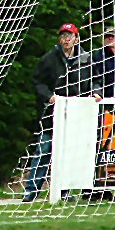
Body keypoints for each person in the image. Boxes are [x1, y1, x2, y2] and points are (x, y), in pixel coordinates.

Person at [23, 23, 101, 202]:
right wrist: (49, 96)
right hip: (52, 111)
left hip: (76, 112)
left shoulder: (86, 58)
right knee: (44, 149)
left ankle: (65, 191)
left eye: (70, 35)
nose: (66, 39)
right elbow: (37, 82)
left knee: (70, 153)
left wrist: (97, 92)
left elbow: (96, 79)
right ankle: (31, 191)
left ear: (77, 38)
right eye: (63, 36)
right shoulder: (49, 58)